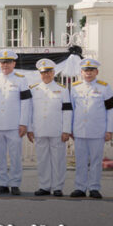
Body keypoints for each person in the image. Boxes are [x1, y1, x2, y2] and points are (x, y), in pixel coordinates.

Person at [67, 58, 113, 199]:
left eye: (91, 71)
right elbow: (71, 109)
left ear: (96, 72)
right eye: (85, 71)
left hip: (97, 130)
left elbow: (111, 110)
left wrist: (109, 130)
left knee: (95, 161)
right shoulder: (75, 87)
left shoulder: (105, 87)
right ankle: (80, 187)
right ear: (81, 72)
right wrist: (70, 128)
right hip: (79, 130)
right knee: (80, 161)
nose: (88, 73)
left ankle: (94, 187)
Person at [0, 49, 31, 195]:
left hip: (14, 125)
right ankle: (2, 183)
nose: (5, 65)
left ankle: (15, 183)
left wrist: (24, 123)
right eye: (2, 62)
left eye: (8, 62)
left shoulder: (21, 79)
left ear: (14, 63)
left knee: (15, 156)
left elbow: (26, 103)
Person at [29, 58, 72, 197]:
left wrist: (66, 130)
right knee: (42, 159)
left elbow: (67, 111)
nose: (46, 75)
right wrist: (30, 129)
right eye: (43, 72)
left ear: (53, 73)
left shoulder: (62, 90)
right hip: (39, 129)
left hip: (57, 130)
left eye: (48, 72)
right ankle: (44, 186)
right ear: (39, 74)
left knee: (58, 160)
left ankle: (57, 187)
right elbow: (29, 111)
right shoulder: (34, 90)